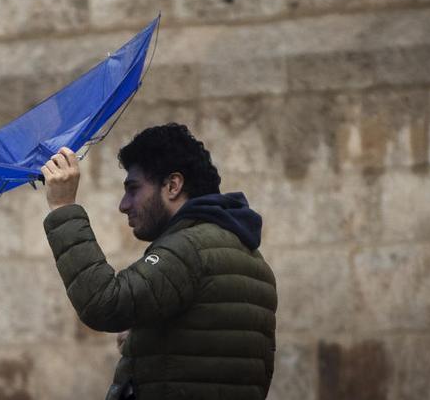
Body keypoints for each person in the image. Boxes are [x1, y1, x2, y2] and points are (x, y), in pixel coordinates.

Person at [41, 123, 277, 400]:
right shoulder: (251, 257)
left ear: (173, 185)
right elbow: (212, 353)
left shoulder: (188, 248)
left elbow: (104, 303)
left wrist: (63, 207)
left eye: (133, 189)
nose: (124, 204)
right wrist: (146, 339)